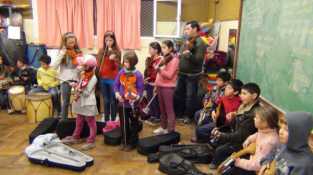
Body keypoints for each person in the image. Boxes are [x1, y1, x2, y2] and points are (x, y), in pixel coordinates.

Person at [209, 83, 261, 169]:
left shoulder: (253, 114)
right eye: (241, 93)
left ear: (254, 96)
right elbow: (236, 125)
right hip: (236, 135)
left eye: (244, 94)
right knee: (213, 140)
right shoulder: (244, 105)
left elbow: (241, 136)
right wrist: (232, 117)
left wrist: (222, 136)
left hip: (243, 143)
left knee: (220, 150)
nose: (241, 96)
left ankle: (220, 165)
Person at [226, 106, 280, 175]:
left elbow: (258, 164)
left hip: (255, 168)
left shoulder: (269, 142)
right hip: (253, 159)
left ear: (265, 123)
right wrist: (249, 139)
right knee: (230, 165)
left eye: (256, 118)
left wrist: (239, 162)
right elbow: (258, 134)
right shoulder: (265, 129)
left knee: (233, 169)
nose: (254, 119)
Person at [62, 54, 99, 150]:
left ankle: (91, 140)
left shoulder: (94, 78)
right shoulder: (83, 75)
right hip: (80, 102)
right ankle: (76, 136)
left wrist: (77, 88)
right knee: (79, 120)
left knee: (91, 122)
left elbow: (86, 92)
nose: (82, 67)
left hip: (88, 103)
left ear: (90, 66)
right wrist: (76, 84)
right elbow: (81, 85)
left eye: (85, 65)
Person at [174, 20, 207, 124]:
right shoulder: (187, 40)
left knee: (190, 97)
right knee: (179, 94)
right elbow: (181, 53)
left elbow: (198, 60)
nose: (186, 31)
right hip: (182, 74)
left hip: (192, 76)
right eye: (186, 29)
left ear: (195, 29)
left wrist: (189, 55)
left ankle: (188, 116)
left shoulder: (200, 43)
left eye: (188, 28)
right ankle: (179, 114)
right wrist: (179, 55)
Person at [192, 79, 242, 143]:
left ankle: (210, 140)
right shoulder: (224, 97)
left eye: (229, 88)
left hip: (223, 125)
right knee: (198, 115)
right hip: (216, 119)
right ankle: (203, 136)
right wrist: (213, 111)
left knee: (200, 130)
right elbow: (215, 105)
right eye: (226, 87)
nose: (226, 89)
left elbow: (233, 118)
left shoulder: (238, 102)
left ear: (235, 92)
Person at [114, 51, 144, 151]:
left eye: (127, 62)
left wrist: (136, 97)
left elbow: (140, 89)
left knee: (134, 123)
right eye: (124, 61)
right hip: (122, 103)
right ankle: (124, 141)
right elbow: (116, 85)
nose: (125, 64)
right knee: (123, 123)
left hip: (132, 105)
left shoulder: (138, 74)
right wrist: (117, 94)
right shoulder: (121, 72)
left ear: (133, 62)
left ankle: (132, 143)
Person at [52, 32, 82, 119]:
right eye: (70, 42)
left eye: (73, 42)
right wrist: (62, 54)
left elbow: (81, 67)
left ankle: (80, 120)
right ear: (65, 42)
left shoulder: (78, 52)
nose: (72, 44)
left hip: (76, 78)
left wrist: (80, 66)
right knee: (65, 101)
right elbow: (54, 67)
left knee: (79, 100)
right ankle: (64, 120)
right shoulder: (62, 52)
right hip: (65, 79)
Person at [152, 40, 179, 135]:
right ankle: (163, 127)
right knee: (162, 109)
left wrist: (159, 69)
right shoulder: (163, 58)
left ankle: (170, 130)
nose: (162, 50)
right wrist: (156, 85)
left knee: (169, 110)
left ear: (170, 48)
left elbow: (169, 75)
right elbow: (159, 76)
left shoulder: (175, 60)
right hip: (160, 86)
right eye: (162, 47)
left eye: (164, 47)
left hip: (168, 88)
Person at [97, 31, 121, 122]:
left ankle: (113, 119)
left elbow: (119, 67)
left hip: (113, 79)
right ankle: (106, 119)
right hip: (103, 78)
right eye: (106, 40)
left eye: (110, 40)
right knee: (106, 100)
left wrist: (114, 59)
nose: (108, 42)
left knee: (113, 101)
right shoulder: (101, 51)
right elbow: (99, 64)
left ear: (114, 41)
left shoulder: (117, 51)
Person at [143, 41, 162, 126]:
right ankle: (153, 115)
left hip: (155, 83)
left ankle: (157, 117)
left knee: (155, 101)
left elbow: (157, 73)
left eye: (151, 49)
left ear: (156, 50)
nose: (149, 50)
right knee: (150, 100)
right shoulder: (150, 59)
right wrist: (146, 78)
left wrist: (150, 78)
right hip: (149, 83)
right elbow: (148, 71)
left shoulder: (160, 59)